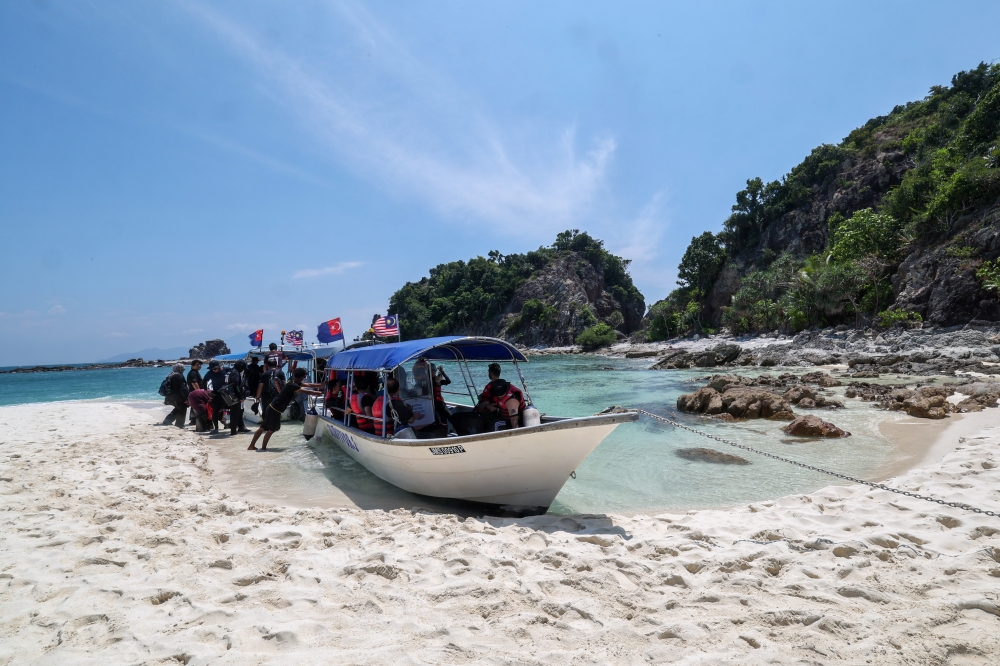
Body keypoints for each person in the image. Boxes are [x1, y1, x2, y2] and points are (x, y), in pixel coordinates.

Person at [248, 367, 323, 451]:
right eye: (303, 377)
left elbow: (309, 385)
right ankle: (263, 448)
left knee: (263, 427)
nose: (304, 379)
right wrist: (323, 392)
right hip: (275, 410)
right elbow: (309, 392)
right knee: (272, 429)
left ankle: (252, 446)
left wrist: (322, 385)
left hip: (272, 408)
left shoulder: (292, 383)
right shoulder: (293, 385)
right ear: (301, 377)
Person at [476, 362, 526, 430]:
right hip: (503, 416)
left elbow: (515, 423)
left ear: (491, 373)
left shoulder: (511, 400)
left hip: (514, 419)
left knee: (493, 423)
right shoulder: (499, 388)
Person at [203, 360, 229, 433]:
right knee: (215, 410)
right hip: (217, 393)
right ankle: (216, 428)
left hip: (227, 393)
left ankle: (234, 426)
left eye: (215, 368)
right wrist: (206, 391)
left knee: (230, 410)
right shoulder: (210, 373)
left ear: (220, 367)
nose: (213, 370)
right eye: (212, 369)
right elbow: (204, 381)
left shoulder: (227, 370)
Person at [226, 360, 251, 435]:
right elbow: (236, 385)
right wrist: (240, 396)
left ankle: (240, 427)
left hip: (231, 395)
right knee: (235, 414)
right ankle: (233, 432)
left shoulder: (231, 371)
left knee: (239, 412)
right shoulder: (236, 373)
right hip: (235, 396)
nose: (243, 369)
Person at [161, 363, 189, 427]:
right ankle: (179, 424)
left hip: (172, 396)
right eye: (183, 369)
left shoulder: (171, 375)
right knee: (182, 409)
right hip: (179, 396)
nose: (183, 370)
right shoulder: (179, 376)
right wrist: (187, 397)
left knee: (178, 409)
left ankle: (168, 420)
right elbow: (183, 388)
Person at [430, 363, 453, 427]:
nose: (434, 372)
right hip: (433, 402)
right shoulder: (428, 380)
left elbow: (448, 381)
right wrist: (436, 382)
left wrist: (442, 372)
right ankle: (443, 430)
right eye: (432, 371)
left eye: (434, 371)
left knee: (448, 416)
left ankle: (447, 429)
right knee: (445, 415)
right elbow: (430, 388)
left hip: (440, 401)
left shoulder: (437, 379)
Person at [186, 360, 204, 425]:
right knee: (197, 406)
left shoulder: (195, 372)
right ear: (192, 365)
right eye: (197, 365)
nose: (199, 366)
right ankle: (194, 421)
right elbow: (194, 383)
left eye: (200, 365)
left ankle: (193, 421)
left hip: (193, 392)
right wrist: (200, 392)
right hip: (195, 392)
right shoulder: (193, 373)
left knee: (194, 406)